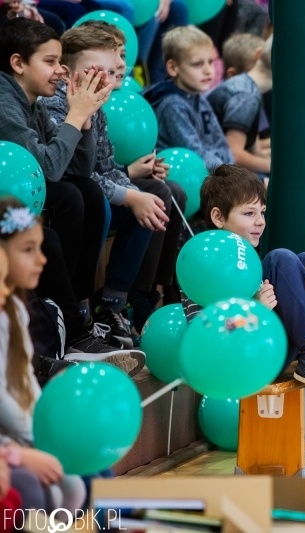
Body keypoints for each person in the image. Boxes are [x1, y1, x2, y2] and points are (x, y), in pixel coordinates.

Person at [186, 165, 305, 409]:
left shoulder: (248, 264)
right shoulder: (202, 263)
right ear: (218, 217)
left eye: (262, 212)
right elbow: (204, 336)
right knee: (279, 258)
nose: (260, 222)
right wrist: (254, 310)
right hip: (239, 360)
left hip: (268, 347)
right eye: (249, 213)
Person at [41, 24, 167, 349]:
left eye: (111, 72)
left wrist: (137, 196)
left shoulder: (97, 107)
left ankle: (114, 305)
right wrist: (130, 196)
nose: (106, 81)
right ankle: (80, 308)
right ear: (68, 73)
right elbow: (74, 173)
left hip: (87, 190)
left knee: (151, 200)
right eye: (95, 71)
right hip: (67, 196)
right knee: (93, 197)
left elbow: (106, 166)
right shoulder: (56, 105)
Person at [0, 18, 122, 349]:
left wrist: (82, 122)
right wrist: (75, 115)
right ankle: (70, 327)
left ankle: (79, 307)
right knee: (63, 206)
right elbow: (50, 171)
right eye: (50, 61)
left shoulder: (33, 103)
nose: (60, 71)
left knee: (89, 192)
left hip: (20, 196)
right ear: (18, 63)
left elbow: (79, 169)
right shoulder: (3, 102)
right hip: (9, 203)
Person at [82, 19, 187, 331]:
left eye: (123, 57)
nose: (119, 65)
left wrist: (135, 178)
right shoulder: (81, 104)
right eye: (113, 57)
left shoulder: (103, 106)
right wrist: (132, 181)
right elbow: (85, 173)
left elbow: (105, 164)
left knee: (171, 192)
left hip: (107, 183)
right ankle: (126, 297)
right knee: (157, 194)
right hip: (88, 195)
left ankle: (152, 290)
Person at [0, 197, 86, 513]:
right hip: (7, 445)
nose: (42, 260)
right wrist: (30, 446)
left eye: (39, 247)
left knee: (84, 478)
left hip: (15, 437)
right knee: (34, 493)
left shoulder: (16, 311)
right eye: (28, 250)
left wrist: (47, 433)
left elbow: (24, 383)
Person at [143, 25, 233, 170]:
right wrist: (231, 174)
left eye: (210, 62)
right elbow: (195, 154)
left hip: (215, 171)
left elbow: (220, 143)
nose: (208, 71)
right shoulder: (173, 106)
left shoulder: (198, 98)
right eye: (197, 64)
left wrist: (232, 167)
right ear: (173, 68)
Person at [208, 34, 271, 178]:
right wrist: (273, 166)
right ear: (258, 55)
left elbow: (254, 148)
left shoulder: (252, 92)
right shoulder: (245, 96)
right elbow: (234, 154)